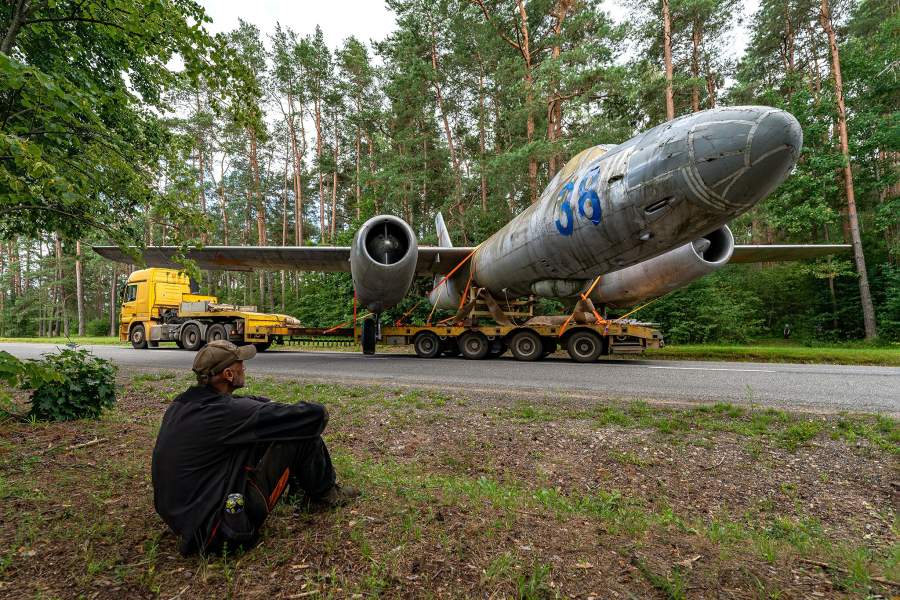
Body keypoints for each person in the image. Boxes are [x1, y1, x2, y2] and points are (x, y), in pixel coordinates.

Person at [151, 340, 358, 555]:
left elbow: (244, 405)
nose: (245, 367)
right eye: (240, 363)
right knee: (300, 434)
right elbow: (315, 416)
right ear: (229, 374)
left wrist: (266, 408)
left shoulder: (182, 404)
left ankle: (298, 487)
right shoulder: (228, 413)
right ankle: (326, 495)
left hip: (185, 519)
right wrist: (279, 410)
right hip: (223, 530)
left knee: (263, 432)